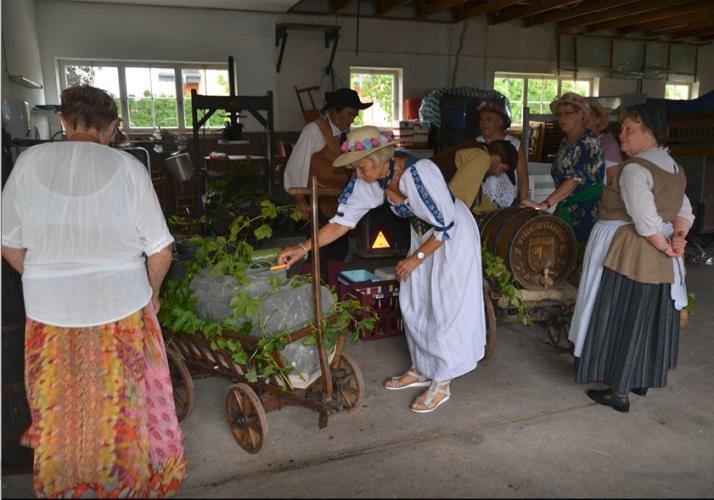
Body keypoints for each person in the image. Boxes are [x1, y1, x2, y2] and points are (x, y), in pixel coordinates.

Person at [1, 86, 186, 497]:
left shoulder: (28, 163)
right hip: (120, 308)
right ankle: (124, 486)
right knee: (121, 409)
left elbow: (9, 243)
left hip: (49, 316)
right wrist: (152, 294)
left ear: (65, 122)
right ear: (114, 127)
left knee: (60, 410)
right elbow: (160, 251)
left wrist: (46, 276)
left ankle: (65, 486)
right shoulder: (128, 169)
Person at [277, 126, 486, 414]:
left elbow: (446, 225)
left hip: (451, 237)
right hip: (424, 236)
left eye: (360, 167)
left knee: (445, 305)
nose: (358, 174)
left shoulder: (420, 173)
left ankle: (442, 382)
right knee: (415, 301)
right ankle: (422, 367)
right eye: (354, 169)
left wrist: (415, 258)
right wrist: (304, 248)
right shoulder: (371, 179)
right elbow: (342, 222)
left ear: (381, 157)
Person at [569, 102, 694, 413]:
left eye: (629, 130)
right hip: (661, 252)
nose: (621, 135)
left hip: (632, 251)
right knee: (650, 315)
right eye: (621, 128)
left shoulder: (635, 169)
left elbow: (646, 221)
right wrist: (677, 240)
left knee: (623, 316)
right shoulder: (673, 167)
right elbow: (684, 210)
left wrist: (666, 246)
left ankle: (619, 391)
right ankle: (640, 379)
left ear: (650, 133)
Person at [283, 88, 373, 286]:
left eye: (354, 115)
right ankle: (310, 293)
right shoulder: (314, 130)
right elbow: (297, 164)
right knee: (318, 249)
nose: (352, 119)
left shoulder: (343, 135)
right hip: (318, 199)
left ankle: (331, 291)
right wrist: (300, 200)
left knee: (338, 249)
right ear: (335, 110)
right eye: (350, 114)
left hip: (338, 200)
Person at [521, 92, 605, 243]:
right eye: (559, 114)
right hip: (567, 209)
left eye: (567, 113)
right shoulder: (566, 143)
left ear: (581, 115)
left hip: (587, 213)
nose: (562, 118)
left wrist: (544, 204)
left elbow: (574, 179)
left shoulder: (588, 141)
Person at [443, 139, 519, 214]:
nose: (498, 174)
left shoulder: (478, 154)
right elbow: (458, 198)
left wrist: (497, 211)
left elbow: (478, 201)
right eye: (502, 169)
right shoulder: (482, 157)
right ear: (499, 156)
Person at [475, 97, 529, 202]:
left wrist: (523, 203)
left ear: (500, 122)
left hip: (508, 204)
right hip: (480, 203)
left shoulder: (514, 144)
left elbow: (523, 179)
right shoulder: (476, 144)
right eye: (481, 119)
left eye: (489, 119)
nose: (484, 123)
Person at [586, 97, 622, 183]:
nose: (584, 118)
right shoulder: (576, 142)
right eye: (581, 115)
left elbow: (613, 182)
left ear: (598, 119)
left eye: (588, 114)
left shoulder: (608, 144)